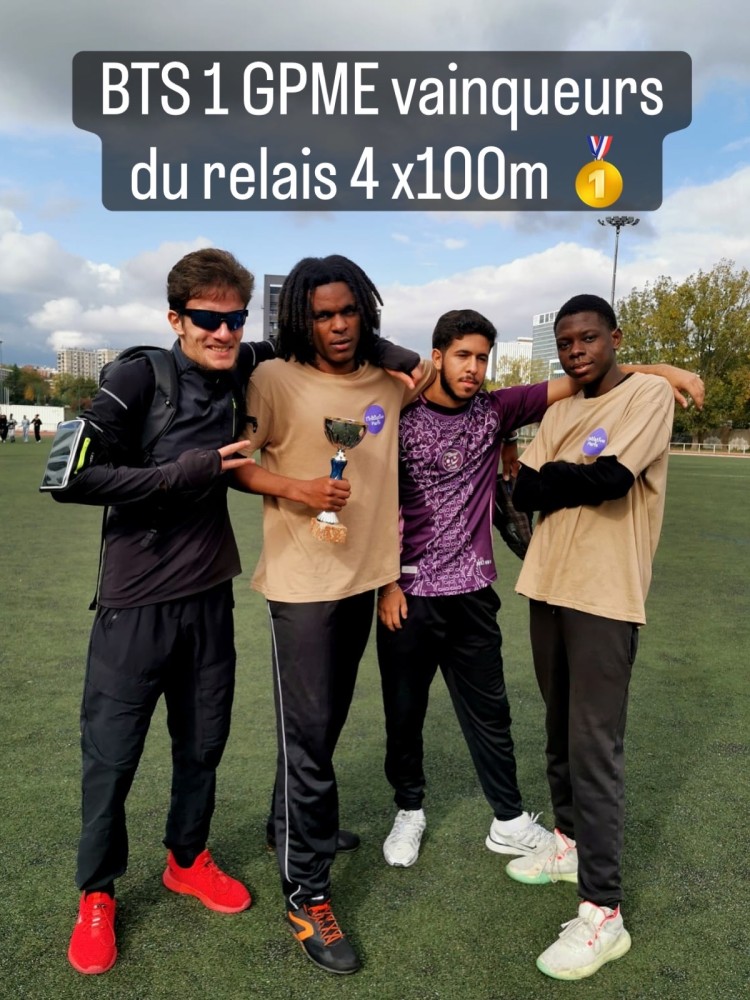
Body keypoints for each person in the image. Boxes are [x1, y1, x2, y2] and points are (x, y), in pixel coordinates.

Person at [375, 309, 701, 871]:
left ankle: (507, 819)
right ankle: (409, 810)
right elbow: (376, 497)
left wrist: (663, 369)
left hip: (473, 592)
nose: (473, 368)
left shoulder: (496, 410)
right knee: (404, 712)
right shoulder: (402, 413)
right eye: (462, 356)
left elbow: (585, 373)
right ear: (437, 356)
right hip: (409, 592)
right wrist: (386, 582)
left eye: (482, 358)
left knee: (491, 713)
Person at [49, 248, 271, 976]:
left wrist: (404, 358)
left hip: (209, 600)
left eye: (236, 319)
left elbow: (316, 335)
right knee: (111, 758)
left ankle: (186, 858)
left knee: (203, 744)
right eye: (208, 319)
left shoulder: (241, 364)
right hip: (134, 605)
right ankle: (97, 894)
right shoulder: (137, 376)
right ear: (176, 318)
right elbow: (68, 478)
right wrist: (185, 472)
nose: (225, 332)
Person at [235, 254, 426, 976]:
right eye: (322, 315)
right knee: (309, 739)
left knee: (322, 726)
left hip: (363, 579)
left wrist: (649, 370)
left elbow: (449, 374)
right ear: (300, 319)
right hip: (303, 585)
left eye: (348, 311)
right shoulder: (272, 379)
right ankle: (305, 892)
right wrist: (300, 489)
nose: (338, 325)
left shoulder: (389, 383)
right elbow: (237, 462)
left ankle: (286, 825)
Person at [507, 294, 678, 982]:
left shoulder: (648, 395)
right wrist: (558, 479)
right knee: (557, 730)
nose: (576, 351)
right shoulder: (561, 410)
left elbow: (611, 480)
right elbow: (523, 492)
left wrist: (558, 477)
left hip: (605, 594)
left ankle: (604, 912)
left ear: (615, 338)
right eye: (566, 343)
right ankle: (568, 842)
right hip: (547, 585)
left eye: (587, 338)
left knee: (593, 748)